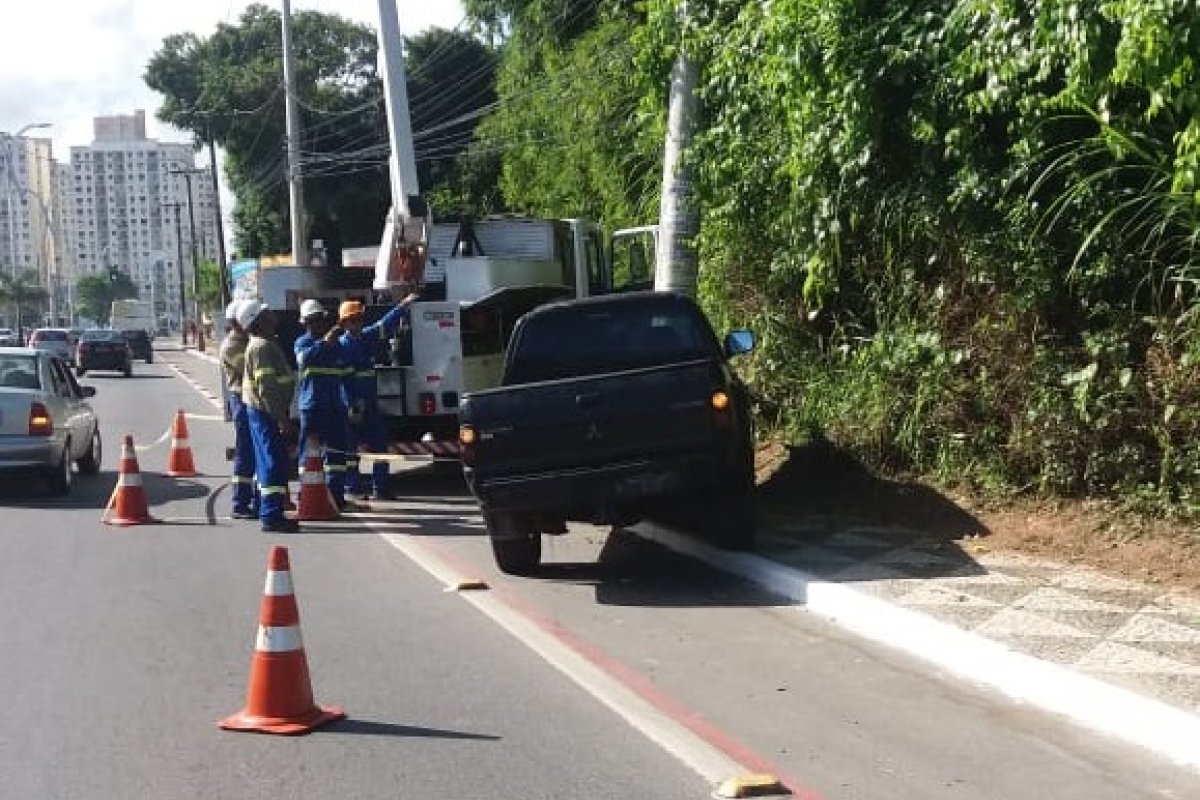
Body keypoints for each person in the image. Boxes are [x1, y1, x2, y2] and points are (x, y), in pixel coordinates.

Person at [338, 292, 419, 501]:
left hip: (370, 403)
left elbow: (386, 323)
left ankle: (380, 487)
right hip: (354, 404)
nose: (357, 323)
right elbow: (344, 380)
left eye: (359, 319)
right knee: (350, 448)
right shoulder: (342, 346)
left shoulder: (367, 336)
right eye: (353, 320)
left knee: (379, 443)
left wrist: (404, 305)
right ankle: (352, 486)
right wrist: (351, 405)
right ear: (344, 323)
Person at [239, 300, 299, 533]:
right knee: (272, 461)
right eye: (266, 313)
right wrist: (281, 418)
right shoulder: (262, 347)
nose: (271, 315)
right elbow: (267, 387)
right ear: (258, 321)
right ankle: (271, 515)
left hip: (265, 412)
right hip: (266, 413)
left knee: (272, 460)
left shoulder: (265, 344)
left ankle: (271, 512)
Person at [294, 299, 352, 510]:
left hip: (335, 407)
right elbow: (305, 359)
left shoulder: (336, 346)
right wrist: (324, 343)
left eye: (320, 320)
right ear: (306, 323)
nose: (318, 325)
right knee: (308, 454)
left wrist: (352, 403)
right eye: (313, 321)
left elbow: (345, 372)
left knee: (336, 455)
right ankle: (306, 496)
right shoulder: (303, 343)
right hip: (312, 407)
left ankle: (335, 497)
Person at [219, 300, 257, 519]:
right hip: (241, 400)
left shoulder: (245, 341)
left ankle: (252, 499)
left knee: (253, 450)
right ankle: (240, 503)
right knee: (245, 450)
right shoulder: (232, 345)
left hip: (248, 399)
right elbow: (252, 368)